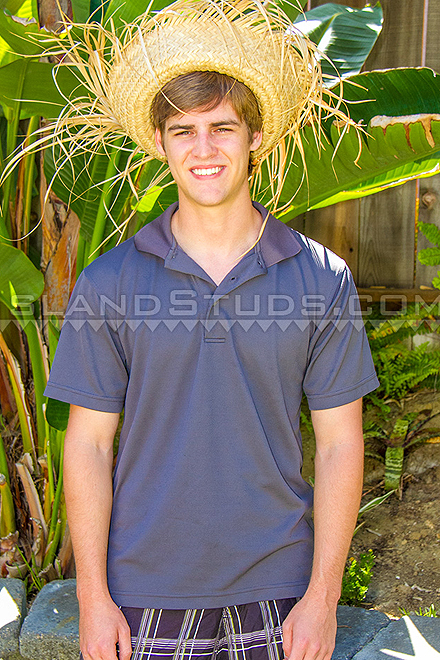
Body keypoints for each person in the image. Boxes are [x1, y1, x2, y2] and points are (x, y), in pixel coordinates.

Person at [43, 1, 380, 659]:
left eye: (222, 128)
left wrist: (322, 598)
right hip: (141, 597)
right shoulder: (111, 282)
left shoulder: (320, 278)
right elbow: (87, 446)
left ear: (255, 137)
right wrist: (92, 598)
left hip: (280, 598)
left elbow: (341, 444)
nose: (204, 150)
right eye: (183, 130)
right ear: (161, 143)